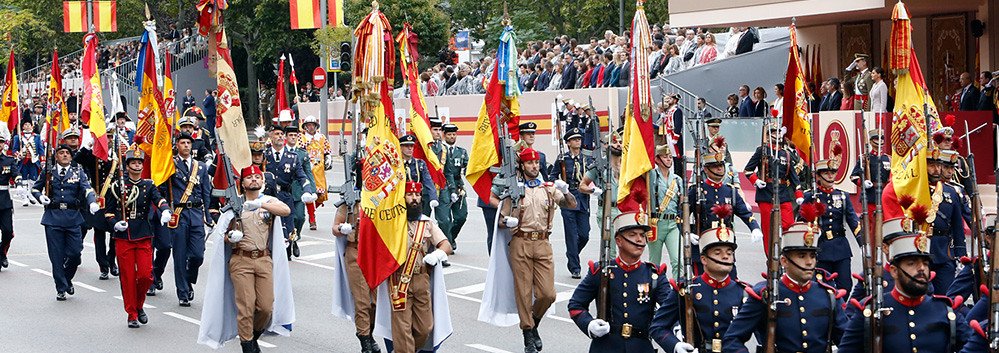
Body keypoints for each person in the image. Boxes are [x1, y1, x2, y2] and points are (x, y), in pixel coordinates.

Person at [837, 216, 971, 352]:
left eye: (925, 263)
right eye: (912, 263)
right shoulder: (870, 312)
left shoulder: (945, 311)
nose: (921, 269)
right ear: (894, 271)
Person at [201, 164, 294, 353]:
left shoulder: (269, 201)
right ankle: (247, 346)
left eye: (258, 177)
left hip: (263, 259)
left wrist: (261, 204)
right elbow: (223, 234)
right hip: (241, 260)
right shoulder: (234, 205)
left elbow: (286, 210)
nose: (254, 180)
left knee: (266, 307)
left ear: (262, 181)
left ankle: (252, 336)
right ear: (242, 184)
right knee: (246, 305)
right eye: (249, 178)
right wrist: (230, 237)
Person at [495, 147, 576, 353]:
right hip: (520, 241)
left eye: (537, 163)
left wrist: (566, 191)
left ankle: (534, 322)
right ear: (522, 166)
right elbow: (501, 221)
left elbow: (571, 206)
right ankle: (527, 333)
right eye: (530, 163)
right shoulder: (514, 191)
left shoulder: (548, 188)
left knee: (547, 294)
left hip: (542, 243)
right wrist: (507, 220)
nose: (534, 166)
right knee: (523, 291)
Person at [722, 220, 848, 352]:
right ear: (784, 261)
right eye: (802, 256)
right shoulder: (765, 294)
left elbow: (847, 342)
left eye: (812, 256)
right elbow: (732, 339)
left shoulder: (828, 296)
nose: (809, 262)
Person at [568, 212, 670, 353]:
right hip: (606, 346)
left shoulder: (654, 274)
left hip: (641, 347)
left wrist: (675, 333)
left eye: (642, 235)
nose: (639, 240)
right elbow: (576, 305)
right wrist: (589, 324)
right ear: (619, 241)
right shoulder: (601, 271)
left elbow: (670, 310)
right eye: (632, 235)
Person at [651, 213, 748, 353]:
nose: (725, 256)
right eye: (717, 252)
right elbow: (658, 327)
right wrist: (676, 346)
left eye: (729, 252)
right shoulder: (687, 289)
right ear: (704, 259)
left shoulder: (743, 293)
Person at [384, 181, 453, 353]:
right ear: (402, 198)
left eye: (417, 195)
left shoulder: (427, 223)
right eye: (409, 195)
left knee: (425, 328)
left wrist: (436, 255)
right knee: (403, 328)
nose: (414, 199)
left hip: (422, 279)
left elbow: (446, 245)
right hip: (398, 280)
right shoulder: (392, 222)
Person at [105, 149, 171, 328]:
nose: (137, 165)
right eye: (133, 163)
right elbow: (109, 211)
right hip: (124, 236)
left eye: (139, 163)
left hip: (143, 234)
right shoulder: (117, 185)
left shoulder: (148, 185)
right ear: (127, 166)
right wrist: (115, 223)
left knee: (145, 276)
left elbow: (159, 199)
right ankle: (132, 313)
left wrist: (165, 210)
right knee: (127, 277)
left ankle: (139, 305)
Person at [32, 143, 99, 300]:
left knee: (75, 253)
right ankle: (61, 287)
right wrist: (40, 197)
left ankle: (67, 278)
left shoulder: (78, 171)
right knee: (56, 256)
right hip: (53, 217)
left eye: (67, 153)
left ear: (71, 156)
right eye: (61, 153)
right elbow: (35, 188)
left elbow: (87, 188)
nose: (64, 155)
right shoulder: (49, 172)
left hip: (73, 217)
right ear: (56, 156)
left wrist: (92, 201)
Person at [154, 132, 214, 305]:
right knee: (179, 255)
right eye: (183, 143)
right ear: (177, 145)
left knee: (197, 255)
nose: (186, 145)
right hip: (178, 214)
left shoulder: (200, 167)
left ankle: (188, 279)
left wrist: (208, 216)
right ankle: (183, 292)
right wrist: (165, 207)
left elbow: (206, 193)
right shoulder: (170, 165)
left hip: (195, 213)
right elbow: (161, 189)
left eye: (188, 142)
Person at [802, 157, 861, 291]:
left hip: (841, 247)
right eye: (826, 173)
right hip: (821, 248)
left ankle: (840, 310)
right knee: (821, 286)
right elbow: (801, 221)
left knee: (845, 285)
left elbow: (853, 221)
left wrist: (862, 242)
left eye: (833, 173)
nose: (830, 176)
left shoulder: (843, 196)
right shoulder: (811, 196)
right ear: (818, 176)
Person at [744, 123, 802, 255]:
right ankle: (771, 261)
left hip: (782, 192)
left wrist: (799, 194)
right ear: (768, 135)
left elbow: (793, 177)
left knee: (789, 225)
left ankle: (787, 256)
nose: (776, 135)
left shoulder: (786, 154)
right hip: (766, 193)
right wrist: (756, 180)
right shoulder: (762, 151)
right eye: (773, 132)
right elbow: (748, 170)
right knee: (768, 229)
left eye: (777, 132)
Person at [262, 127, 316, 260]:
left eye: (281, 134)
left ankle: (288, 249)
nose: (280, 136)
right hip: (267, 197)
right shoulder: (264, 154)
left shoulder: (292, 158)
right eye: (277, 134)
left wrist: (308, 190)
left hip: (285, 197)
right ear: (271, 136)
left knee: (288, 227)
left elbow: (302, 177)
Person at [549, 128, 592, 279]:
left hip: (583, 198)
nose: (578, 141)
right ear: (568, 143)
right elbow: (552, 176)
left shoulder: (587, 158)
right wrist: (560, 184)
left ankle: (572, 254)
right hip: (568, 198)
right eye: (574, 139)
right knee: (572, 236)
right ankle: (575, 267)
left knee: (584, 234)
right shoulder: (562, 159)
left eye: (579, 139)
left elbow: (593, 175)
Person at [924, 147, 967, 294]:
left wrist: (961, 255)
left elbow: (957, 227)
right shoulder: (915, 191)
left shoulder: (951, 192)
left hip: (944, 252)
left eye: (939, 165)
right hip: (921, 251)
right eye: (931, 165)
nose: (936, 170)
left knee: (946, 297)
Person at [850, 129, 891, 235]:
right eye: (876, 139)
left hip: (884, 195)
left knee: (884, 225)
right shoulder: (865, 158)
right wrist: (862, 183)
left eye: (881, 139)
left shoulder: (888, 159)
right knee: (870, 227)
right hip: (870, 196)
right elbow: (853, 176)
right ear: (871, 141)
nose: (879, 141)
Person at [647, 145, 682, 269]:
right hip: (656, 223)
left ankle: (679, 287)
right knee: (654, 262)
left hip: (673, 223)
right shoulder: (651, 176)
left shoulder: (677, 180)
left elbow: (682, 201)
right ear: (657, 159)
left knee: (678, 261)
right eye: (665, 157)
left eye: (670, 157)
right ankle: (654, 286)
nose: (669, 159)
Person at [283, 125, 315, 258]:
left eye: (295, 135)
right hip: (286, 191)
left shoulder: (302, 154)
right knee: (287, 219)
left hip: (299, 191)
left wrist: (312, 190)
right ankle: (288, 243)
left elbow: (308, 172)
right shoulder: (281, 152)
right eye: (290, 135)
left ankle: (295, 238)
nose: (293, 137)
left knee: (300, 217)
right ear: (286, 137)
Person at [436, 124, 468, 254]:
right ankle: (447, 243)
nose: (452, 136)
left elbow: (467, 167)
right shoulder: (440, 150)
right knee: (445, 219)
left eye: (454, 134)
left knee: (461, 216)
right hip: (443, 184)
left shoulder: (462, 152)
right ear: (444, 135)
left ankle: (451, 237)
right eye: (449, 134)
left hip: (458, 185)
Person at [300, 116, 332, 231]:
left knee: (320, 196)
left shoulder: (321, 137)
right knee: (309, 195)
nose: (311, 127)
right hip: (307, 170)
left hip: (319, 171)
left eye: (312, 125)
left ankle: (311, 210)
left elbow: (327, 150)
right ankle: (312, 219)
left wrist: (328, 158)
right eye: (308, 125)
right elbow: (299, 151)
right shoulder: (302, 138)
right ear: (305, 127)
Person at [399, 134, 439, 216]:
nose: (410, 148)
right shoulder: (396, 164)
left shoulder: (420, 164)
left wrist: (433, 198)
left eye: (412, 146)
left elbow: (428, 181)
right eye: (406, 146)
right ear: (400, 147)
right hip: (400, 200)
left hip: (415, 200)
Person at [0, 132, 18, 270]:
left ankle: (2, 253)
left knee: (8, 231)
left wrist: (19, 182)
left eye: (1, 142)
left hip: (4, 201)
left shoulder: (8, 160)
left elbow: (15, 174)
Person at [11, 120, 44, 185]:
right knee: (23, 180)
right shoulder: (18, 137)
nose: (28, 126)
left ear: (32, 126)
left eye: (29, 124)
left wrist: (42, 161)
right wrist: (18, 155)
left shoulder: (37, 137)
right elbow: (14, 150)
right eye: (26, 124)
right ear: (22, 127)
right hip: (23, 162)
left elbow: (41, 150)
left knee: (34, 180)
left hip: (33, 162)